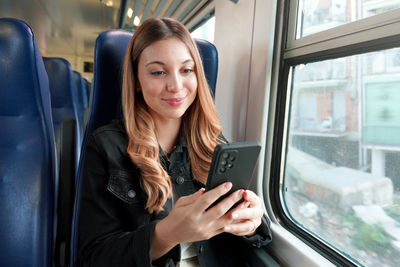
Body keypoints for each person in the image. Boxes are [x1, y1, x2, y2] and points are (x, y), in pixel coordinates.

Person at [75, 17, 272, 267]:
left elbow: (250, 230)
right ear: (136, 81)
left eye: (186, 70)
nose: (176, 85)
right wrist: (166, 234)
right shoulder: (106, 146)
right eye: (158, 72)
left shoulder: (214, 143)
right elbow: (94, 258)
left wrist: (252, 222)